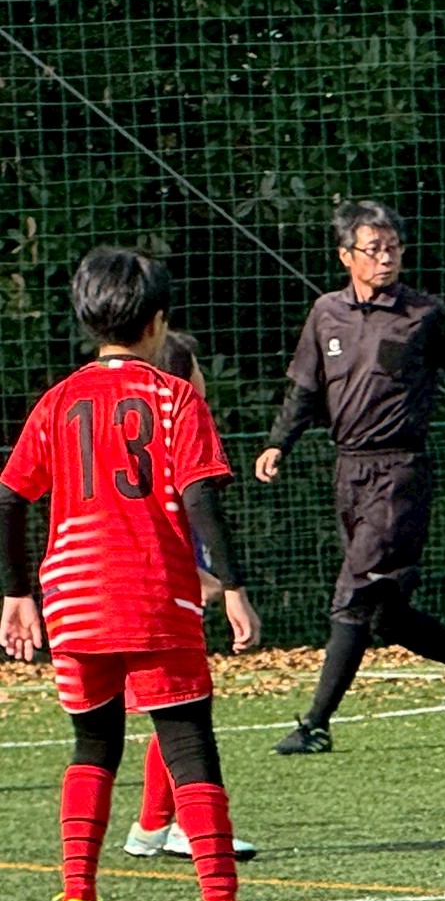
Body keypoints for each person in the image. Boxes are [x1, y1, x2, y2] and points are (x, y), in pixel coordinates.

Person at [0, 248, 280, 901]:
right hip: (154, 593)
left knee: (92, 744)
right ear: (158, 322)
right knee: (188, 743)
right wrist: (234, 586)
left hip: (72, 597)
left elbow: (8, 497)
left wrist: (17, 594)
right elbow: (200, 498)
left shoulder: (57, 401)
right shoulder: (175, 397)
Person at [257, 200, 445, 755]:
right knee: (387, 617)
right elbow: (304, 389)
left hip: (400, 473)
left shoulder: (425, 314)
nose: (387, 258)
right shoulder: (326, 313)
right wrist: (277, 443)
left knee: (354, 594)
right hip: (348, 471)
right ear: (346, 256)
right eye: (374, 248)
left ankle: (315, 724)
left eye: (394, 247)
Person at [121, 328, 259, 862]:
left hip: (147, 586)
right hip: (159, 588)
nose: (203, 377)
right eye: (198, 368)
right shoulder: (179, 420)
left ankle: (151, 825)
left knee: (175, 707)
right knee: (182, 705)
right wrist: (213, 579)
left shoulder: (141, 424)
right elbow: (182, 509)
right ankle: (181, 825)